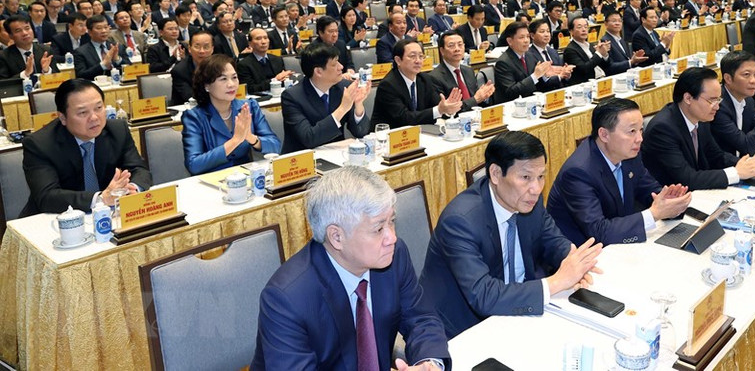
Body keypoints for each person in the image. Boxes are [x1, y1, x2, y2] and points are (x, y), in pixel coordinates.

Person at [251, 167, 449, 370]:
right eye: (379, 229)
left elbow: (421, 318)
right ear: (336, 237)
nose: (392, 238)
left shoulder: (394, 256)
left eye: (392, 222)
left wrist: (429, 363)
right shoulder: (287, 298)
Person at [418, 131, 602, 338]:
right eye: (526, 177)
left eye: (541, 176)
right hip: (461, 328)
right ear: (496, 174)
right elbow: (484, 295)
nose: (536, 188)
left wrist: (574, 262)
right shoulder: (460, 221)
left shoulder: (527, 202)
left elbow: (553, 241)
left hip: (517, 310)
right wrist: (558, 281)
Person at [547, 99, 691, 245]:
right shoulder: (578, 172)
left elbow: (650, 191)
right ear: (604, 135)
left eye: (641, 130)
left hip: (619, 243)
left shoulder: (629, 156)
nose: (640, 139)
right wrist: (654, 214)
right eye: (632, 131)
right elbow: (598, 231)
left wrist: (669, 202)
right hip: (585, 254)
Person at [21, 79, 152, 215]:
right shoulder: (39, 144)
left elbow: (139, 169)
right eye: (83, 113)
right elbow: (47, 197)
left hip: (108, 215)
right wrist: (100, 199)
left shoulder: (117, 130)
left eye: (99, 108)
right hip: (55, 219)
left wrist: (132, 189)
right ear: (63, 118)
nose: (94, 117)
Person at [641, 67, 755, 190]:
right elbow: (687, 178)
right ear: (688, 98)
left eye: (719, 100)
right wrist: (737, 172)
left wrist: (748, 165)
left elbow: (716, 156)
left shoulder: (701, 119)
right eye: (712, 100)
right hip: (668, 201)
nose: (717, 106)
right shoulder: (663, 129)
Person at [181, 54, 281, 175]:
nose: (231, 84)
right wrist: (235, 141)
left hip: (246, 177)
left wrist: (250, 137)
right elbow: (194, 165)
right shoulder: (194, 117)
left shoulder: (249, 107)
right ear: (206, 86)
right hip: (212, 182)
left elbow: (276, 146)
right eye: (223, 79)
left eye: (234, 77)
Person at [280, 42, 370, 153]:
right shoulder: (292, 96)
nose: (341, 67)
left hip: (336, 154)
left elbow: (361, 133)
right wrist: (342, 109)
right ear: (318, 71)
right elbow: (309, 138)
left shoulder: (344, 87)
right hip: (302, 161)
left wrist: (358, 105)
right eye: (334, 64)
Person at [371, 39, 462, 128]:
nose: (418, 61)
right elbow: (405, 118)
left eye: (421, 56)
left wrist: (448, 108)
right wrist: (439, 110)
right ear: (398, 60)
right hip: (390, 137)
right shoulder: (388, 85)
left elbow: (436, 106)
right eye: (412, 56)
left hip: (418, 133)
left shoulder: (424, 79)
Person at [493, 21, 561, 103]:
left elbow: (537, 84)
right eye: (521, 37)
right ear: (510, 41)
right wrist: (535, 75)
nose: (526, 41)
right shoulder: (503, 62)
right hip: (512, 106)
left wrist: (544, 76)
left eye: (528, 37)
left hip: (531, 101)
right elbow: (511, 92)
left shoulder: (530, 55)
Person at [427, 31, 495, 113]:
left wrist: (485, 96)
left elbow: (477, 99)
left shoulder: (468, 70)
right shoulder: (434, 77)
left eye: (460, 45)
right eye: (451, 46)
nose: (457, 49)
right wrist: (475, 99)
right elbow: (446, 111)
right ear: (442, 51)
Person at [0, 14, 59, 81]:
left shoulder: (45, 50)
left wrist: (47, 71)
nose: (25, 33)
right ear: (10, 36)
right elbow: (3, 84)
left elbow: (58, 77)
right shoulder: (3, 56)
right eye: (18, 30)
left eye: (27, 28)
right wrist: (25, 73)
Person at [236, 28, 293, 93]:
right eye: (258, 39)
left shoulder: (277, 59)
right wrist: (275, 80)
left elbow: (283, 80)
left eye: (265, 38)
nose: (263, 42)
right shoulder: (243, 65)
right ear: (250, 43)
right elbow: (249, 88)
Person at [74, 15, 130, 80]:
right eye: (99, 28)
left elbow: (131, 69)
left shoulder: (118, 47)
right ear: (89, 32)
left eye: (106, 27)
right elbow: (81, 76)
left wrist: (117, 59)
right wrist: (103, 64)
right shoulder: (81, 52)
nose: (104, 31)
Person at [171, 30, 215, 106]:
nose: (202, 51)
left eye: (206, 47)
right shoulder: (179, 71)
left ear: (212, 49)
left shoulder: (219, 67)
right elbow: (191, 98)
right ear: (189, 49)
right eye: (197, 47)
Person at [562, 17, 611, 84]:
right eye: (579, 27)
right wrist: (599, 53)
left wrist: (604, 54)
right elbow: (584, 69)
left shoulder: (590, 45)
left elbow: (606, 66)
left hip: (602, 79)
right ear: (571, 31)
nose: (584, 30)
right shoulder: (570, 50)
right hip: (587, 83)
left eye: (586, 27)